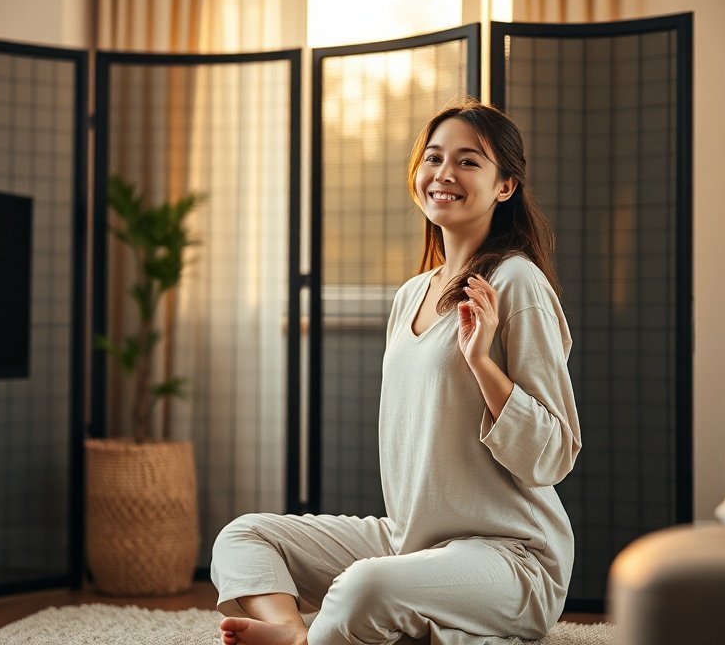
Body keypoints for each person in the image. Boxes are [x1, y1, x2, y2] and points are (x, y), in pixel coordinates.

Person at [210, 98, 581, 645]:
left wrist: (480, 362)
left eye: (468, 161)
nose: (444, 174)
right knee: (243, 536)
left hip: (511, 557)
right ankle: (293, 636)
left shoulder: (517, 284)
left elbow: (554, 454)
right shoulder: (411, 294)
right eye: (433, 158)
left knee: (363, 589)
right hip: (411, 541)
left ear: (505, 186)